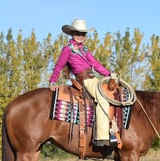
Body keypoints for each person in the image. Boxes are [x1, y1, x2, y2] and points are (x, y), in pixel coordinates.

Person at [49, 19, 117, 147]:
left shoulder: (84, 49)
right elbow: (59, 65)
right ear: (72, 33)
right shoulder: (68, 49)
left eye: (83, 34)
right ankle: (101, 137)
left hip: (93, 78)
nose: (80, 36)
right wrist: (53, 81)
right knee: (102, 98)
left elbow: (95, 64)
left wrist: (108, 74)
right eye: (78, 33)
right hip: (84, 79)